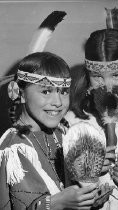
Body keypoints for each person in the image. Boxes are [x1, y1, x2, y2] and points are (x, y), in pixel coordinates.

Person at [0, 52, 100, 210]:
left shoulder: (61, 134)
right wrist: (57, 203)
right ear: (21, 94)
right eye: (46, 92)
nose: (58, 102)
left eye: (64, 91)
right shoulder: (15, 148)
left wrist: (89, 196)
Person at [64, 28, 118, 209]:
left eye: (116, 75)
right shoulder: (73, 123)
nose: (108, 85)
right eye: (98, 76)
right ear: (87, 78)